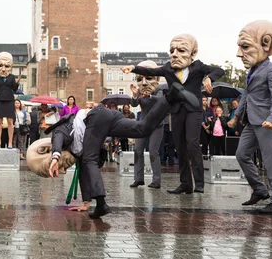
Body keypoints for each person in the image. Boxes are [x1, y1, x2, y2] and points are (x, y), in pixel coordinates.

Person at [31, 82, 198, 219]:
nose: (64, 167)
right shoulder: (77, 151)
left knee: (89, 160)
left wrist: (54, 157)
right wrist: (86, 203)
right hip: (108, 117)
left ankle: (102, 204)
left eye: (60, 165)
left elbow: (58, 139)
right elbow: (83, 174)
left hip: (96, 117)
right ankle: (170, 97)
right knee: (142, 130)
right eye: (63, 168)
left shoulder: (60, 133)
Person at [122, 34, 224, 194]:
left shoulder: (198, 67)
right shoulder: (169, 68)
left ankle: (199, 183)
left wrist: (209, 78)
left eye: (181, 50)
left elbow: (219, 70)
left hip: (193, 111)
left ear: (193, 53)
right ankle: (185, 184)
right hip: (176, 111)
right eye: (172, 50)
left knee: (192, 144)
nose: (175, 53)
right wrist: (133, 68)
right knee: (181, 147)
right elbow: (150, 70)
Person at [227, 20, 272, 214]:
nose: (238, 54)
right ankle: (260, 190)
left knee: (270, 161)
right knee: (241, 154)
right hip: (251, 122)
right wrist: (236, 117)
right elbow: (246, 95)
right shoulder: (252, 71)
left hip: (266, 122)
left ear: (266, 44)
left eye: (245, 47)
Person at [129, 60, 165, 189]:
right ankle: (139, 179)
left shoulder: (160, 89)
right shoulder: (140, 90)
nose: (144, 82)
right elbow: (133, 104)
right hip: (143, 124)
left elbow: (160, 101)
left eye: (148, 77)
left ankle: (156, 180)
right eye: (140, 78)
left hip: (156, 125)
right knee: (138, 151)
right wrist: (134, 95)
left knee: (153, 152)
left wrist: (149, 96)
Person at [0, 52, 20, 149]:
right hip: (0, 100)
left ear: (10, 66)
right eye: (0, 65)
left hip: (9, 100)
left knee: (10, 122)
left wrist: (17, 82)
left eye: (7, 66)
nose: (3, 69)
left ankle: (10, 142)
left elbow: (15, 89)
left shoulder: (12, 77)